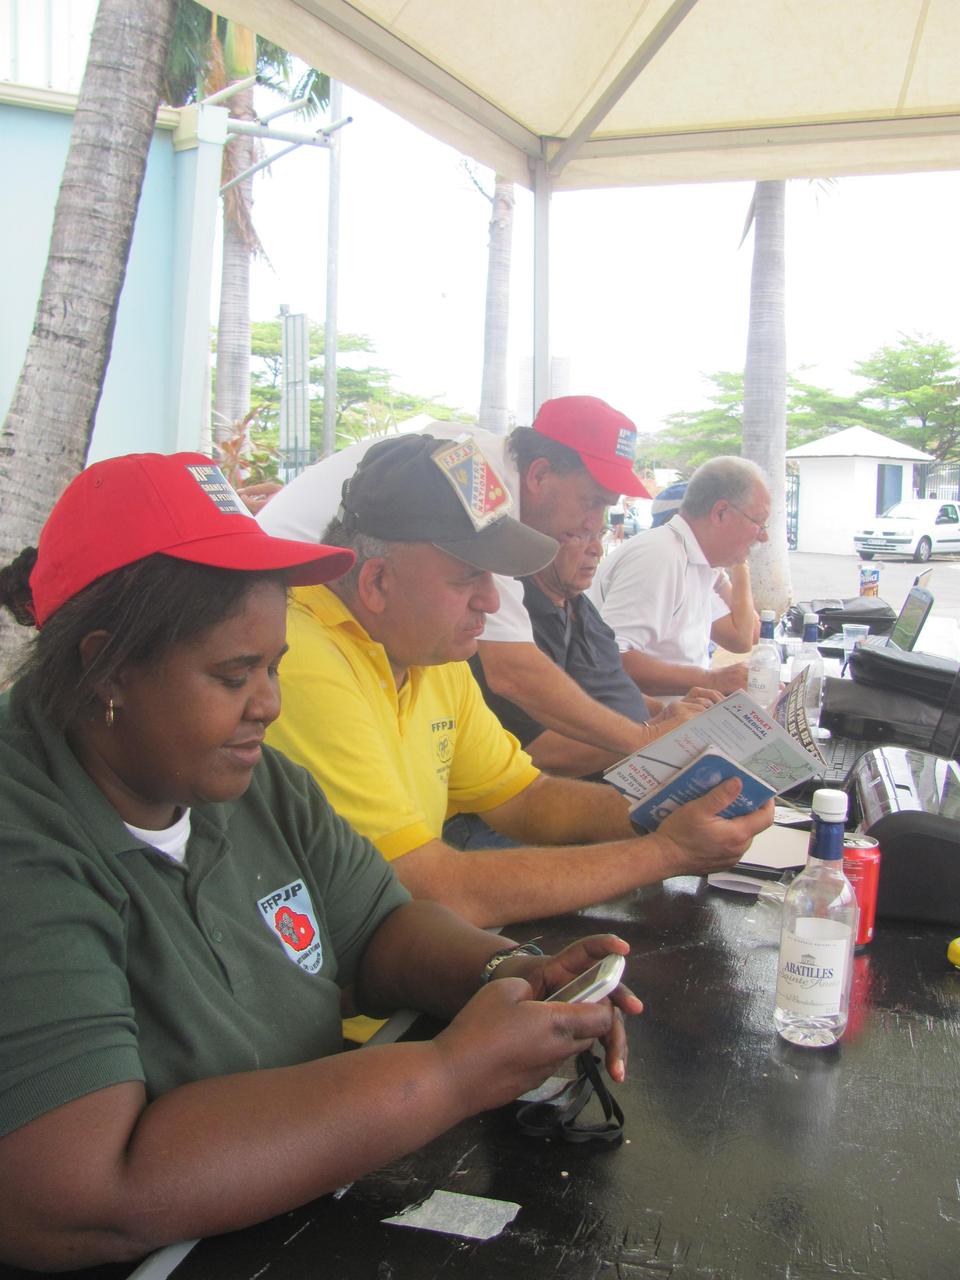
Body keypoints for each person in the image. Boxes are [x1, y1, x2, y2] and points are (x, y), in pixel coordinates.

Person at [0, 451, 641, 1272]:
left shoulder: (252, 781)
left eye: (273, 667)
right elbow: (79, 1195)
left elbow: (381, 927)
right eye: (234, 675)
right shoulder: (26, 831)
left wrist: (511, 976)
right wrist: (450, 1073)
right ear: (103, 669)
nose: (268, 703)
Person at [266, 433, 772, 942]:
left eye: (493, 577)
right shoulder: (300, 661)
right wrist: (667, 851)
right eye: (467, 578)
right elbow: (431, 887)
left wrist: (671, 811)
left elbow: (525, 798)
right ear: (376, 582)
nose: (490, 600)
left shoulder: (429, 654)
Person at [259, 396, 664, 760]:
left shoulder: (476, 459)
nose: (592, 526)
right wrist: (643, 742)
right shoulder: (476, 476)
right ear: (539, 475)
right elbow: (514, 672)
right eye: (591, 502)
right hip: (283, 604)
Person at [471, 520, 721, 779]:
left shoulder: (579, 605)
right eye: (579, 534)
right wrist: (651, 736)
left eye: (600, 534)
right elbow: (542, 754)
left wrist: (669, 715)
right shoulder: (517, 625)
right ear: (537, 544)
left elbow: (611, 684)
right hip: (592, 788)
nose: (597, 549)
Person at [590, 458, 767, 698]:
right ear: (721, 512)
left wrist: (738, 562)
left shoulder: (697, 562)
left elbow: (741, 639)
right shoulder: (661, 556)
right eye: (759, 522)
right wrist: (712, 680)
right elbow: (609, 659)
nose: (764, 537)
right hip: (643, 727)